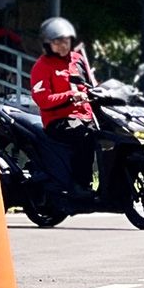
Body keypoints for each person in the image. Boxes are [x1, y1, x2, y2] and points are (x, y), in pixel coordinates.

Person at [29, 16, 97, 200]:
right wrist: (70, 96)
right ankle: (80, 184)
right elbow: (43, 99)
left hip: (86, 115)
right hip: (58, 120)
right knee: (84, 135)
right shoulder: (42, 66)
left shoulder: (78, 60)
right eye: (57, 42)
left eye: (65, 41)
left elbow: (92, 85)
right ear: (47, 44)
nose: (62, 45)